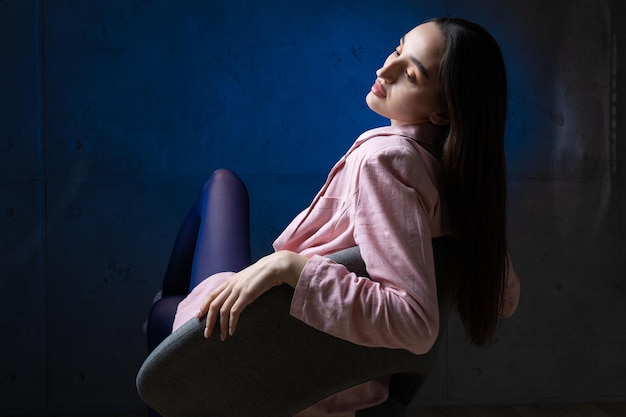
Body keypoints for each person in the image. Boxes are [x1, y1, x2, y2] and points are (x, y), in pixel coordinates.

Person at [171, 17, 521, 416]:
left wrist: (289, 267)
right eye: (397, 49)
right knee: (218, 199)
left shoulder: (385, 163)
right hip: (330, 367)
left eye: (409, 73)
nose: (383, 70)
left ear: (442, 113)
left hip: (283, 364)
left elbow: (415, 323)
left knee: (219, 192)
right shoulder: (455, 177)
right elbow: (504, 295)